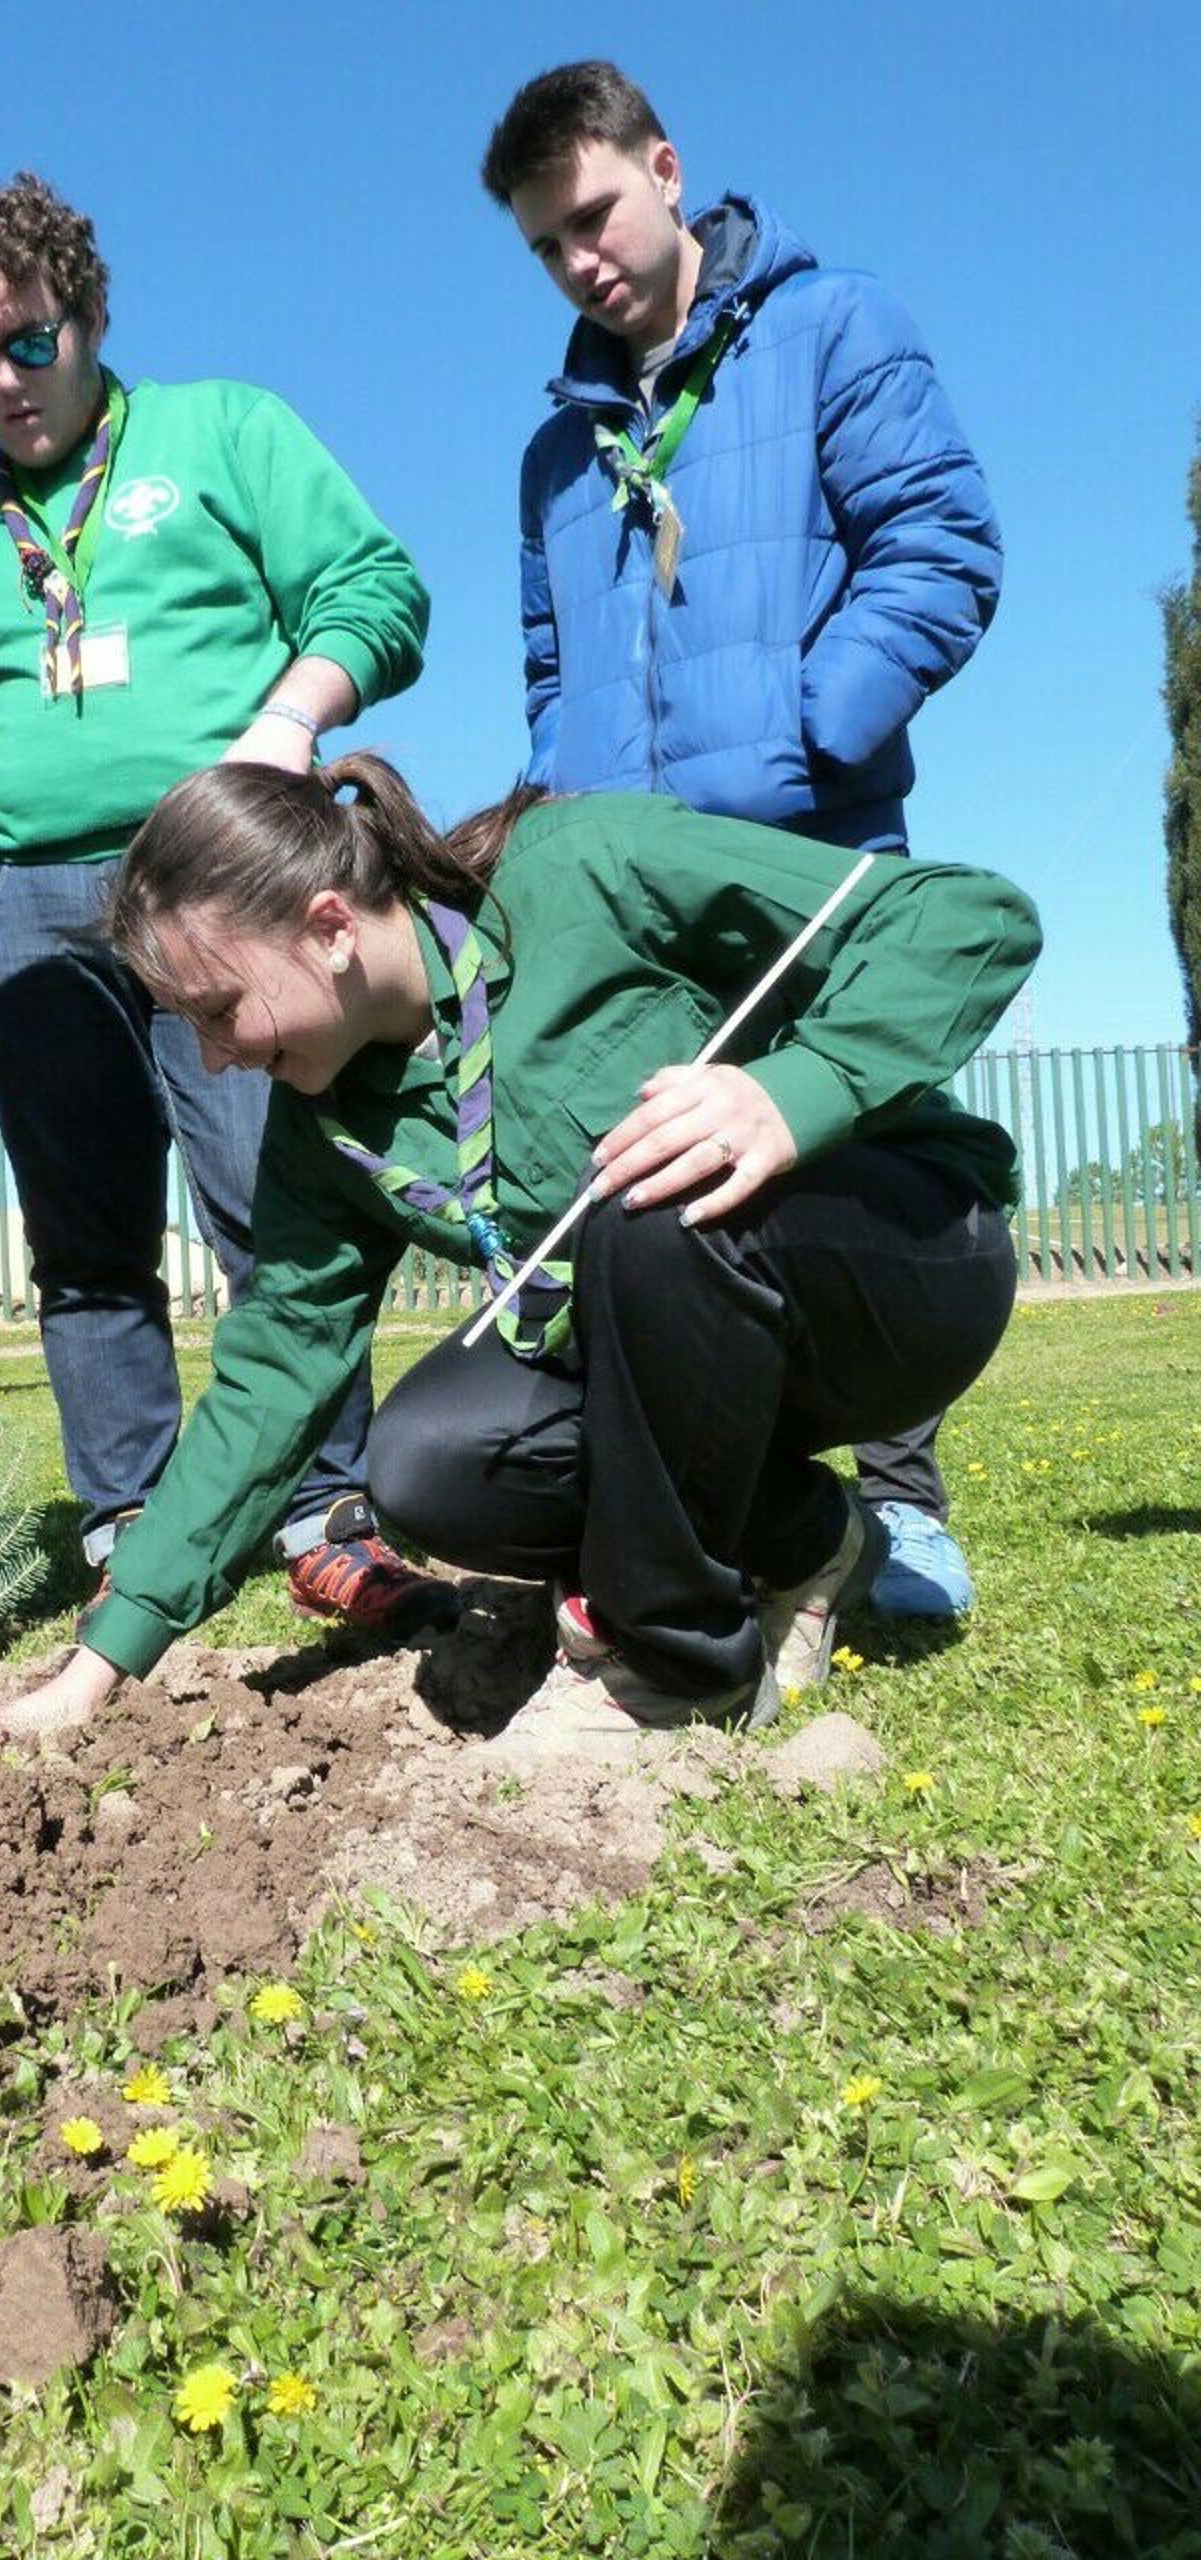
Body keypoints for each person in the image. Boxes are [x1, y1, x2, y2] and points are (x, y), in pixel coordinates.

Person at [0, 758, 1041, 1745]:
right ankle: (809, 1539)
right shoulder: (322, 1126)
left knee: (645, 1186)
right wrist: (103, 1661)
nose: (215, 1059)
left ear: (329, 928)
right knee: (433, 1463)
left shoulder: (585, 864)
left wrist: (786, 1093)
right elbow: (274, 1375)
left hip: (896, 1272)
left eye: (219, 1011)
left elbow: (966, 916)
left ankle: (669, 1666)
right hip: (686, 1357)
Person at [0, 170, 458, 1643]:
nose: (5, 385)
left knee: (280, 1206)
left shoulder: (222, 431)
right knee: (83, 1238)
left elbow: (378, 590)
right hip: (28, 909)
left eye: (30, 343)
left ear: (92, 316)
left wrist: (289, 724)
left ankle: (325, 1511)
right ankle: (131, 1520)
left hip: (217, 881)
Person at [481, 59, 1003, 1626]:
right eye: (545, 245)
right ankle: (772, 1510)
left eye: (592, 215)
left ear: (664, 166)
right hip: (637, 903)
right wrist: (566, 807)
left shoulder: (834, 329)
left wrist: (809, 733)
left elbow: (940, 545)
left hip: (805, 851)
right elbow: (549, 667)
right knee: (683, 1198)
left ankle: (901, 1508)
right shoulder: (556, 455)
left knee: (844, 1143)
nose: (579, 261)